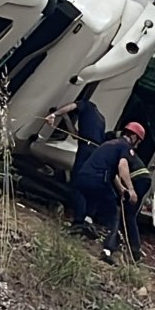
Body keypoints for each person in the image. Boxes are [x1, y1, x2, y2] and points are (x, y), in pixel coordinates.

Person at [71, 122, 145, 245]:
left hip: (83, 177)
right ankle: (108, 248)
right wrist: (131, 189)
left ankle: (83, 223)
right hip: (97, 180)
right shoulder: (125, 147)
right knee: (115, 211)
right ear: (134, 137)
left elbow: (112, 174)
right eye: (139, 141)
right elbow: (122, 166)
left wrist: (121, 189)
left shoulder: (110, 143)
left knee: (97, 196)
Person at [46, 97, 107, 236]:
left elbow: (71, 106)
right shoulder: (100, 119)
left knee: (76, 185)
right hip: (95, 152)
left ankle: (79, 222)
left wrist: (55, 114)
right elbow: (75, 136)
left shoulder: (86, 104)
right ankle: (86, 220)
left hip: (86, 149)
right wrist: (66, 118)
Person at [101, 149, 151, 265]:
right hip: (143, 178)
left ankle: (113, 247)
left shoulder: (115, 152)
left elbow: (118, 171)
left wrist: (130, 190)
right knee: (128, 215)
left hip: (137, 179)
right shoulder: (124, 149)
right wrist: (123, 190)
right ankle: (132, 249)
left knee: (124, 214)